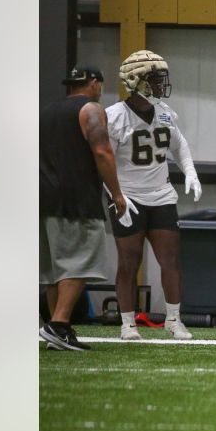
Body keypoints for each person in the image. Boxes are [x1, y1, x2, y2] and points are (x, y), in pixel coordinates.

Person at [106, 50, 201, 342]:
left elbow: (179, 145)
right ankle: (127, 323)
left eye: (162, 79)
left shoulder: (164, 113)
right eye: (155, 79)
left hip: (161, 196)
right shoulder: (114, 117)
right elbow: (103, 162)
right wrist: (116, 194)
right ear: (135, 80)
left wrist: (190, 172)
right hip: (128, 197)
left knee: (170, 260)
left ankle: (173, 320)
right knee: (129, 262)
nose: (161, 85)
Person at [40, 67, 133, 351]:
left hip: (42, 198)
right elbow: (102, 151)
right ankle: (60, 324)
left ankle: (56, 329)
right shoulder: (91, 109)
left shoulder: (46, 111)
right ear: (94, 83)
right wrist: (117, 193)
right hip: (76, 199)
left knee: (55, 270)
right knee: (79, 261)